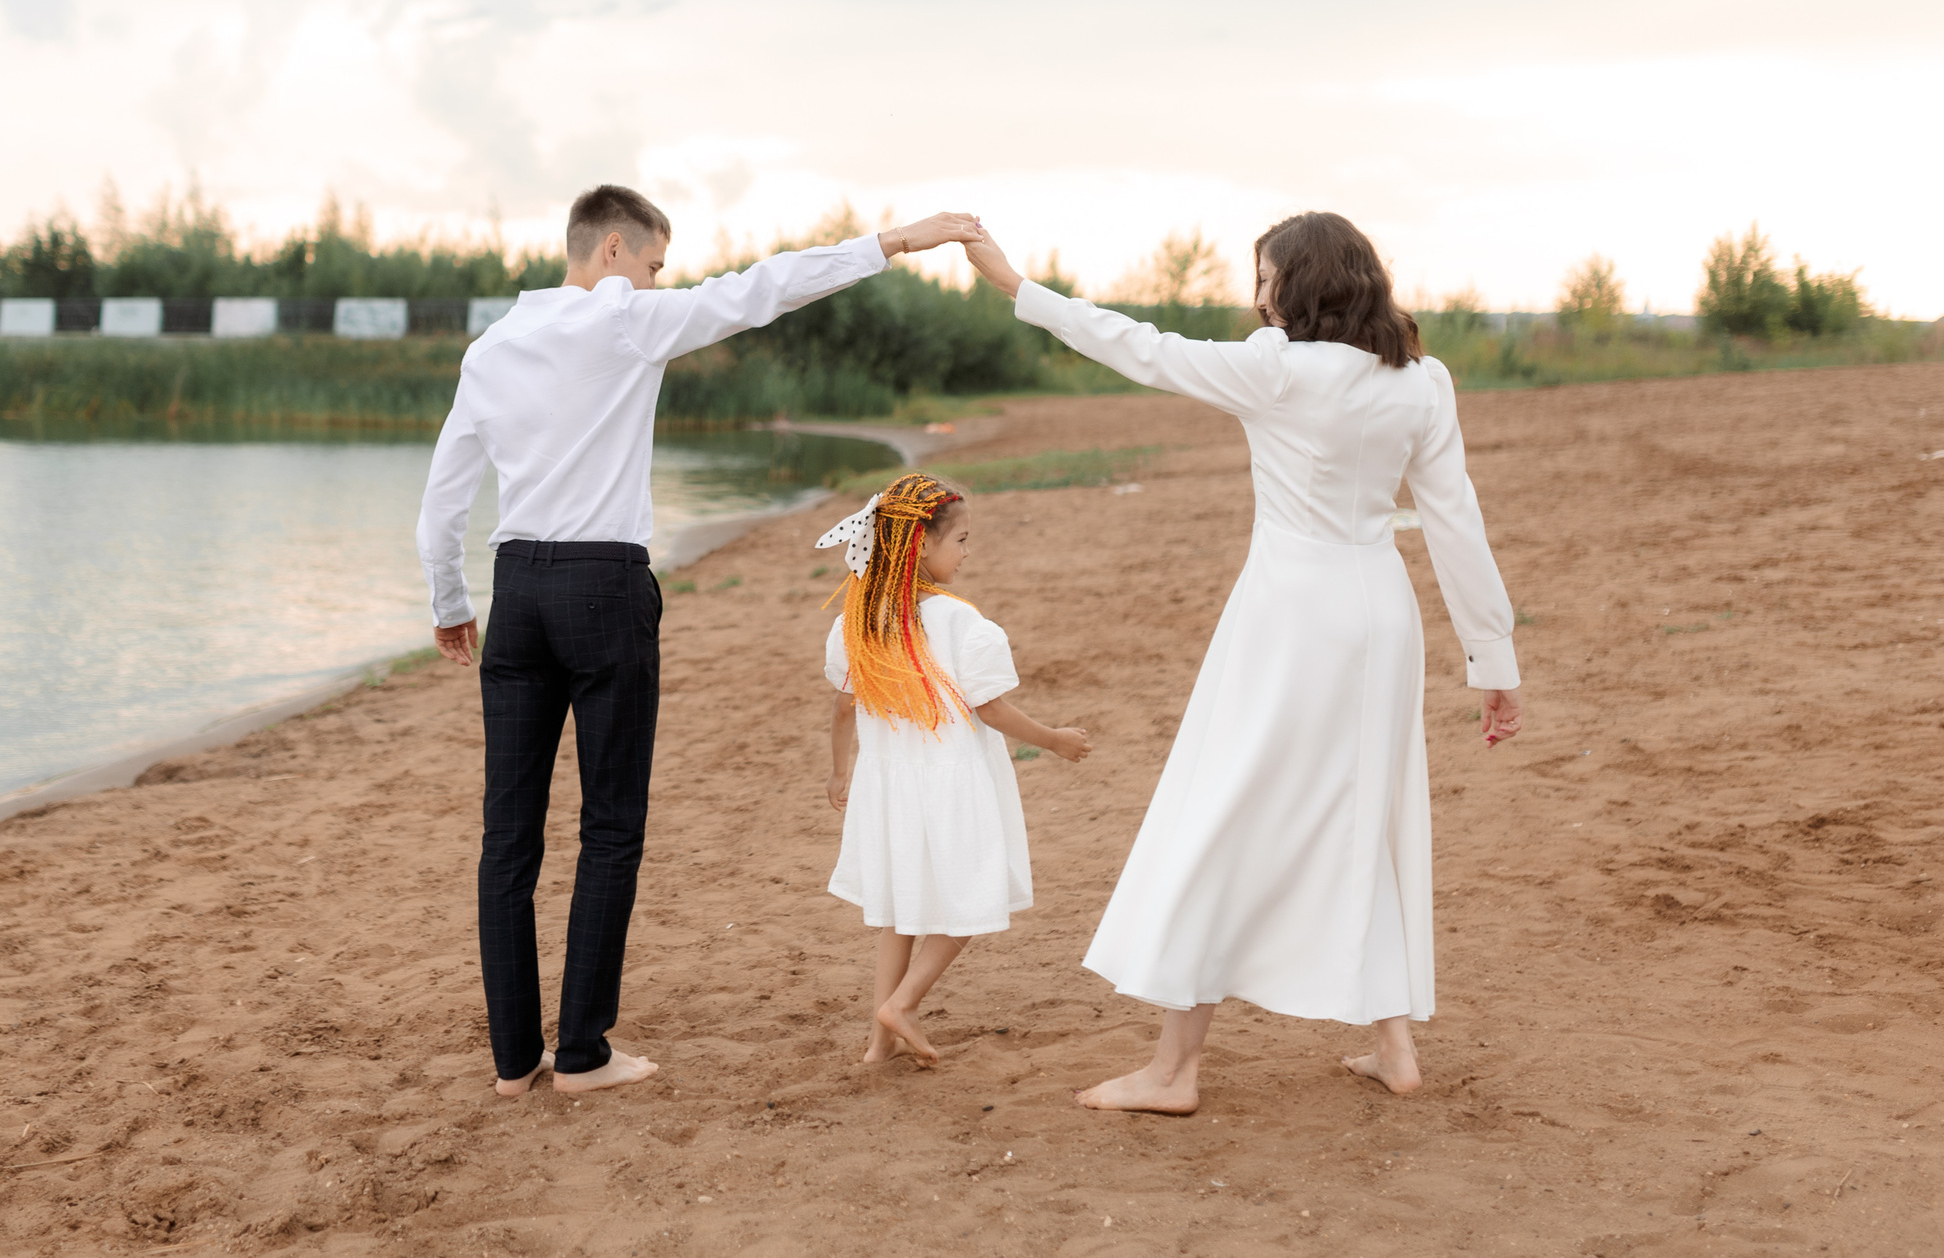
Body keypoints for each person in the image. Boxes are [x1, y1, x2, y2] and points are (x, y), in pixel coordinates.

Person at [417, 185, 983, 1098]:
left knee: (507, 835)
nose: (654, 282)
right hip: (603, 587)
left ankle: (515, 1061)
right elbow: (767, 287)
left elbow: (443, 498)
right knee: (609, 824)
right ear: (612, 248)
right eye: (650, 265)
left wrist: (449, 601)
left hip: (515, 586)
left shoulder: (492, 347)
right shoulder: (625, 324)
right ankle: (584, 1054)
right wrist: (897, 241)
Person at [961, 211, 1525, 1113]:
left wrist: (1017, 287)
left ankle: (1174, 1070)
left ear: (1298, 284)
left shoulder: (1275, 368)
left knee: (1219, 817)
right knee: (1365, 814)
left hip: (1290, 621)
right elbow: (1455, 519)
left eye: (1265, 276)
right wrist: (1493, 658)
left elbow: (1137, 346)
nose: (1256, 294)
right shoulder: (1423, 381)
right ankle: (1394, 1046)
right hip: (1382, 615)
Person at [818, 472, 1089, 1067]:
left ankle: (877, 1045)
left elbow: (844, 705)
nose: (967, 552)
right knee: (971, 899)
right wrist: (1053, 740)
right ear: (921, 545)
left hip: (888, 788)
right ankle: (903, 1004)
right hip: (951, 785)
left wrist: (840, 774)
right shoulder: (963, 623)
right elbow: (990, 708)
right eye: (961, 539)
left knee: (900, 913)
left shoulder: (856, 623)